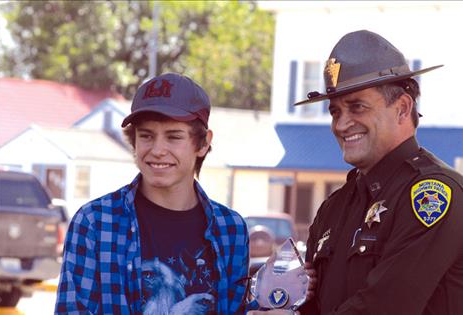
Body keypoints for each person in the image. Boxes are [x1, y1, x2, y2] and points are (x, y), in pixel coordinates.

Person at [249, 30, 463, 315]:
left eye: (357, 107)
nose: (340, 125)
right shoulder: (333, 208)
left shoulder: (433, 194)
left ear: (402, 108)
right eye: (335, 112)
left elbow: (386, 307)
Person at [55, 73, 250, 314]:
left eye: (173, 137)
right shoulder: (95, 222)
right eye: (146, 136)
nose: (157, 150)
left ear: (202, 143)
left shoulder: (231, 229)